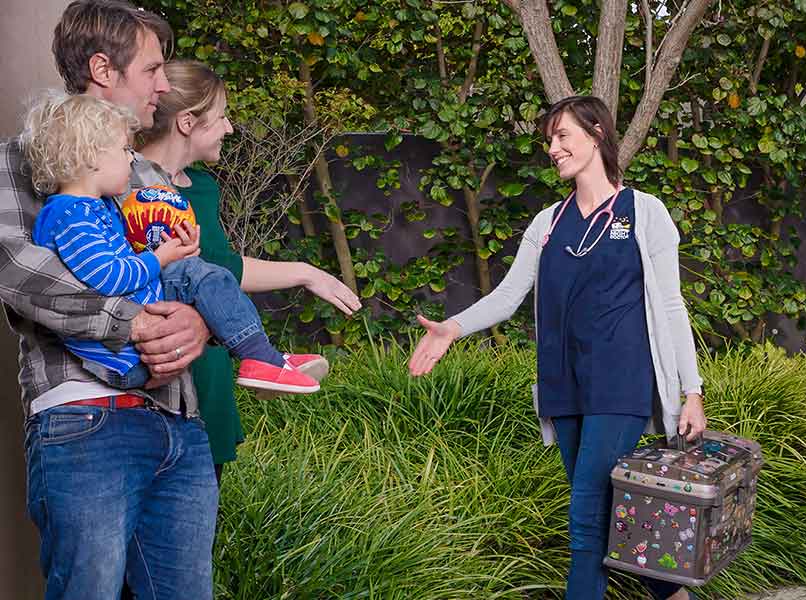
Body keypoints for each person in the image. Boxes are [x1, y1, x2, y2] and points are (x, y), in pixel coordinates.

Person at [408, 96, 707, 600]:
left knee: (587, 518)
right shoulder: (548, 222)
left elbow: (672, 307)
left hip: (622, 383)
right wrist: (453, 327)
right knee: (614, 513)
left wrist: (691, 390)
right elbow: (508, 295)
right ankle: (675, 596)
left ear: (595, 134)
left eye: (562, 136)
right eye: (549, 139)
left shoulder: (644, 212)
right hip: (564, 388)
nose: (553, 148)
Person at [0, 2, 215, 598]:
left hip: (179, 421)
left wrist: (198, 322)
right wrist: (138, 322)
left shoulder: (145, 174)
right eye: (152, 70)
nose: (165, 86)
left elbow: (188, 276)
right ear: (102, 68)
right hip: (85, 421)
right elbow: (25, 277)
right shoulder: (16, 161)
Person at [136, 59, 361, 481]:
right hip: (161, 379)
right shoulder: (128, 186)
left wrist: (307, 272)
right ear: (187, 122)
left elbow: (221, 269)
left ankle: (264, 360)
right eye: (221, 117)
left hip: (210, 372)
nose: (230, 128)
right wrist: (304, 272)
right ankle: (265, 360)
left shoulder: (201, 185)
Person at [21, 92, 327, 395]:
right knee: (202, 275)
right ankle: (261, 360)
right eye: (124, 149)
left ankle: (264, 358)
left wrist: (174, 246)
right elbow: (108, 277)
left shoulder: (95, 207)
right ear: (90, 156)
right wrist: (161, 258)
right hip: (123, 359)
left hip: (136, 330)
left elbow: (123, 256)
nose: (133, 158)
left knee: (202, 272)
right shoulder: (69, 215)